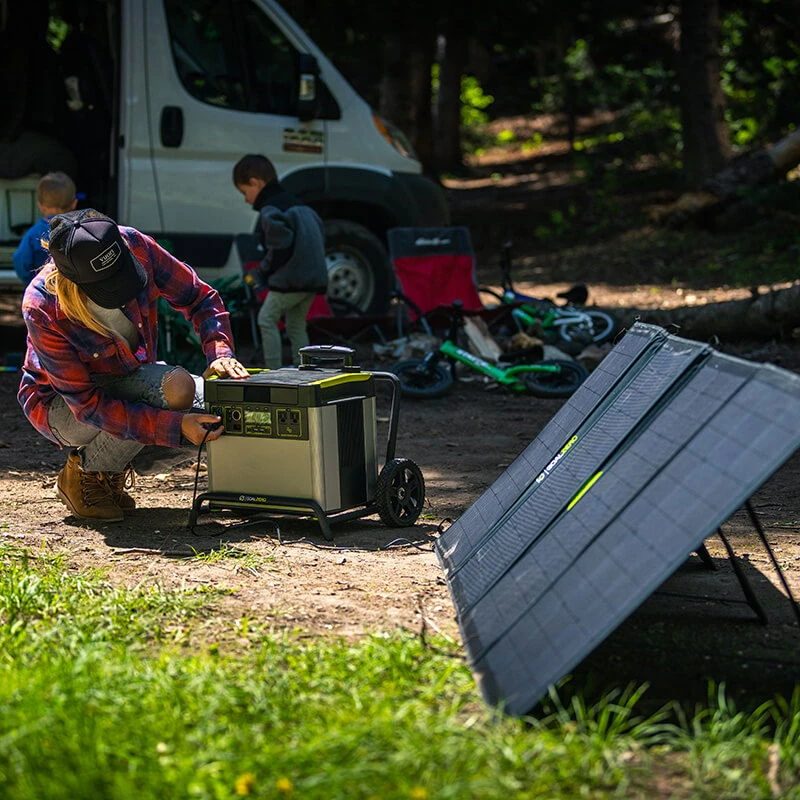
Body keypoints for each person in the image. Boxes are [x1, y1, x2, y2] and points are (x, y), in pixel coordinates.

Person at [18, 208, 249, 523]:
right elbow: (87, 406)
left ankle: (113, 467)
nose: (123, 291)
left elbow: (200, 298)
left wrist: (219, 352)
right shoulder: (43, 305)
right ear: (75, 281)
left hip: (131, 378)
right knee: (177, 390)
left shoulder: (136, 244)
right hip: (63, 409)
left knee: (221, 413)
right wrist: (175, 426)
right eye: (109, 286)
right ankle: (87, 472)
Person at [232, 154, 328, 369]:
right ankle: (305, 370)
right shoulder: (302, 207)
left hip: (292, 280)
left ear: (256, 183)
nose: (246, 200)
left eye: (245, 192)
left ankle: (272, 372)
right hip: (315, 278)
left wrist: (261, 273)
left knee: (266, 319)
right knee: (296, 324)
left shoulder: (271, 209)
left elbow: (280, 248)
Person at [13, 171, 78, 286]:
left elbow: (21, 262)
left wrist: (33, 283)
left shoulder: (33, 234)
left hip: (43, 289)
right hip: (73, 291)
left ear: (40, 206)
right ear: (74, 203)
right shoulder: (79, 231)